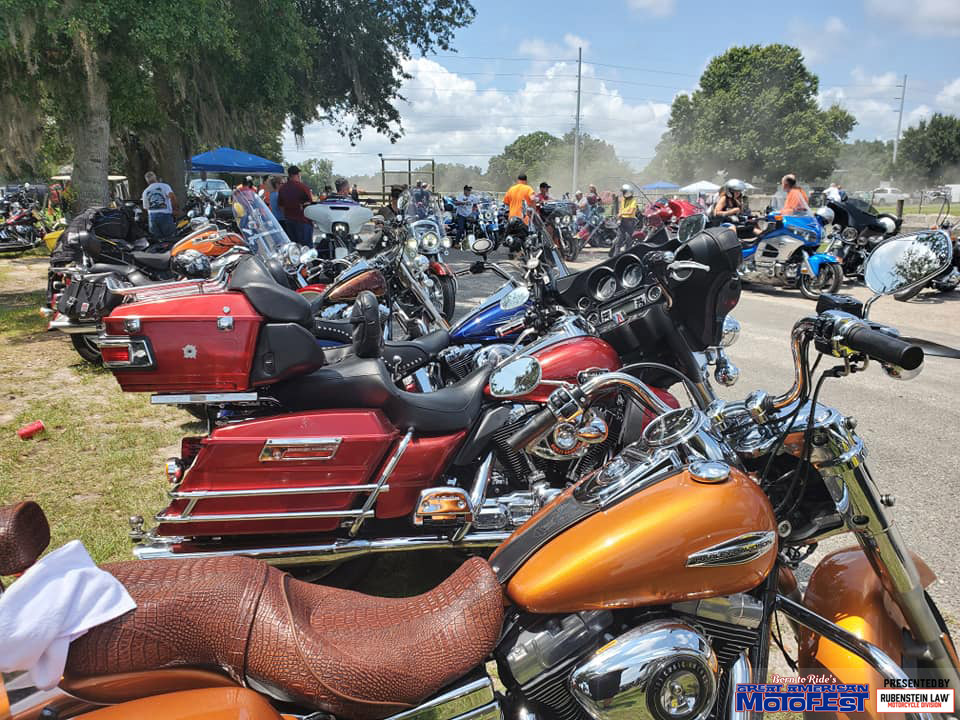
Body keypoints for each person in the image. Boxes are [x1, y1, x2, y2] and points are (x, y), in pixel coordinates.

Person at [277, 165, 315, 245]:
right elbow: (310, 205)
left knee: (294, 247)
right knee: (306, 248)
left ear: (289, 175)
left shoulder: (282, 188)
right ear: (298, 174)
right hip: (303, 221)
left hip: (289, 221)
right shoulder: (303, 187)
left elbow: (281, 206)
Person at [141, 171, 179, 238]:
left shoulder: (145, 191)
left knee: (157, 240)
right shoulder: (164, 186)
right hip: (165, 215)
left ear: (147, 181)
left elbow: (145, 207)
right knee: (171, 238)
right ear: (155, 177)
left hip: (152, 217)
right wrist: (175, 209)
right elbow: (172, 197)